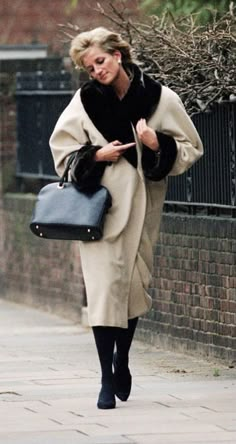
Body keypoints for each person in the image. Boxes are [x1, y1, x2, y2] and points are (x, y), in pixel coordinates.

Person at [49, 27, 203, 410]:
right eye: (89, 67)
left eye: (100, 61)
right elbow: (62, 150)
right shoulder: (84, 102)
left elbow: (191, 148)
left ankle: (123, 359)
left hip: (144, 210)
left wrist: (156, 145)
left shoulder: (160, 98)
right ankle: (105, 377)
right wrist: (96, 156)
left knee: (134, 289)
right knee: (104, 293)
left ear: (118, 55)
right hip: (99, 212)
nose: (96, 71)